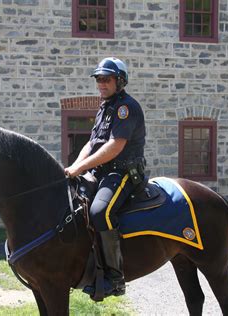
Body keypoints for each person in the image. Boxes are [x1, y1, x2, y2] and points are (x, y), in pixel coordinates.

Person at [64, 57, 146, 298]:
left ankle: (115, 278)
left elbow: (114, 146)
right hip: (101, 171)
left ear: (120, 81)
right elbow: (92, 143)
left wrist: (80, 169)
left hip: (123, 172)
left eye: (106, 79)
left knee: (100, 211)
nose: (101, 83)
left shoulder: (125, 107)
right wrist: (74, 167)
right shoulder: (104, 107)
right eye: (98, 79)